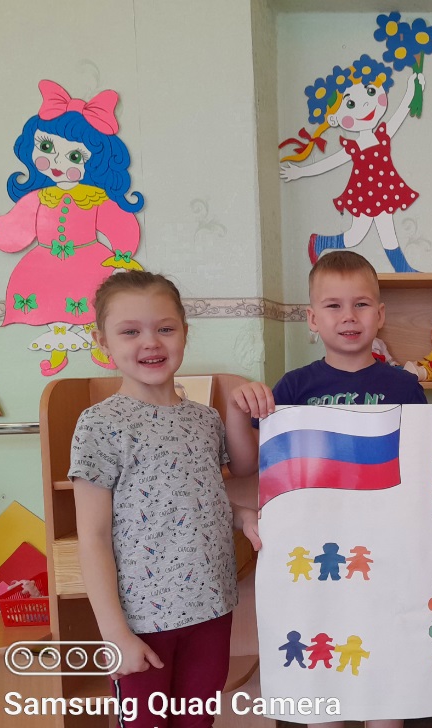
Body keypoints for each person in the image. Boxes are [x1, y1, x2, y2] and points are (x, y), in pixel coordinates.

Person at [230, 250, 425, 728]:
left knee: (384, 672)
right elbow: (251, 465)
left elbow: (420, 465)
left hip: (384, 551)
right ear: (313, 319)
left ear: (380, 315)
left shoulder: (404, 386)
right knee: (323, 663)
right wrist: (239, 408)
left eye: (361, 304)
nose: (349, 316)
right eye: (333, 306)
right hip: (317, 556)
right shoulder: (293, 387)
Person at [69, 271, 261, 728]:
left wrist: (242, 514)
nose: (151, 342)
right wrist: (114, 634)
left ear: (184, 334)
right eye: (130, 331)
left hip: (212, 610)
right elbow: (93, 537)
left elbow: (204, 491)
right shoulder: (100, 424)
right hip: (142, 621)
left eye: (165, 328)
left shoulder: (204, 419)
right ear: (102, 342)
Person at [0, 79, 143, 376]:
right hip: (45, 263)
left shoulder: (96, 198)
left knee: (93, 305)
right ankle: (58, 351)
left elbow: (120, 223)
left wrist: (122, 255)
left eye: (74, 156)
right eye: (47, 148)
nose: (57, 163)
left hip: (88, 260)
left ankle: (99, 346)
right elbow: (18, 227)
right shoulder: (38, 198)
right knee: (52, 307)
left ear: (95, 162)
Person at [280, 54, 424, 273]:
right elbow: (330, 162)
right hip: (364, 194)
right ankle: (321, 241)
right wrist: (300, 172)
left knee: (386, 231)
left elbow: (401, 113)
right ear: (335, 119)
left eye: (370, 92)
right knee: (355, 237)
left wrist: (412, 89)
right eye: (350, 104)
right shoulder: (355, 146)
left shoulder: (382, 134)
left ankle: (403, 269)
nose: (365, 104)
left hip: (384, 191)